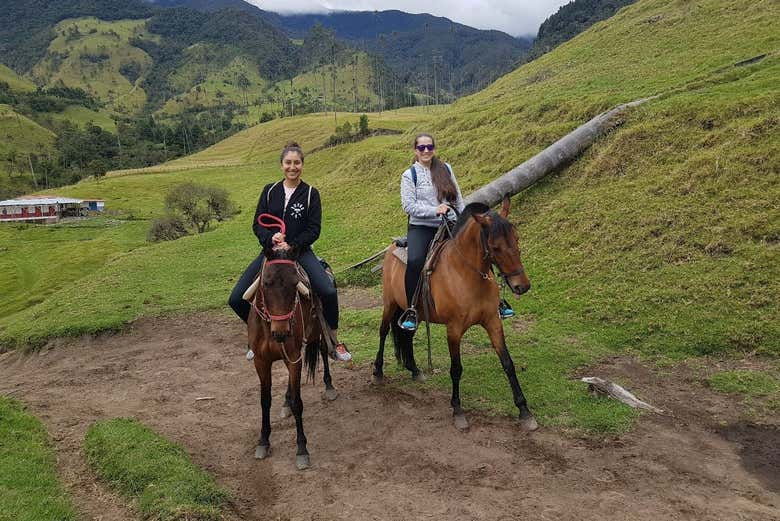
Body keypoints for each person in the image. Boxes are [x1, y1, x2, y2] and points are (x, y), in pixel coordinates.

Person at [229, 142, 351, 362]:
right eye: (288, 162)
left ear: (302, 165)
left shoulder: (311, 194)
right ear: (281, 165)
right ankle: (255, 337)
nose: (292, 167)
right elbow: (258, 223)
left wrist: (292, 245)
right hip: (270, 254)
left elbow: (314, 229)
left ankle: (333, 341)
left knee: (328, 291)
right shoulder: (269, 191)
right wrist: (270, 238)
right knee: (236, 298)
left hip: (300, 253)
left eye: (297, 163)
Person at [398, 133, 514, 331]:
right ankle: (412, 309)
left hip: (451, 222)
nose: (426, 151)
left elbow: (458, 198)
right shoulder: (410, 175)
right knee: (416, 260)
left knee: (483, 246)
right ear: (415, 151)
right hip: (422, 226)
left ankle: (498, 302)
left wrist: (463, 218)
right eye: (421, 148)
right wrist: (434, 210)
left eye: (429, 147)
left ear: (434, 148)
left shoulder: (446, 169)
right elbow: (408, 206)